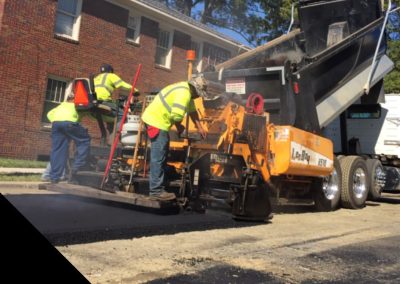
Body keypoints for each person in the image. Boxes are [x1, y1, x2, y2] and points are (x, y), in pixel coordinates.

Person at [141, 76, 223, 201]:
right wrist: (181, 129)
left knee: (162, 152)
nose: (198, 97)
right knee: (159, 156)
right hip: (156, 121)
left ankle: (158, 187)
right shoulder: (184, 93)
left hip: (156, 119)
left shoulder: (185, 89)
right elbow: (176, 115)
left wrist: (200, 126)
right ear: (195, 89)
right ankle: (156, 191)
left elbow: (192, 110)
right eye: (199, 94)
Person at [47, 93, 91, 184]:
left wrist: (55, 121)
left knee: (58, 150)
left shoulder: (61, 106)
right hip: (69, 124)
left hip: (56, 125)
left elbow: (49, 114)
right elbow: (91, 115)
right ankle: (76, 167)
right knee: (84, 140)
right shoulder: (77, 106)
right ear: (75, 99)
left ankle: (54, 177)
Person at [94, 63, 139, 134]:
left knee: (111, 117)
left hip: (94, 102)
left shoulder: (96, 78)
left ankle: (110, 136)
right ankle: (116, 134)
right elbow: (122, 84)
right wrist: (135, 90)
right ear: (110, 71)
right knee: (122, 115)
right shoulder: (111, 76)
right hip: (104, 101)